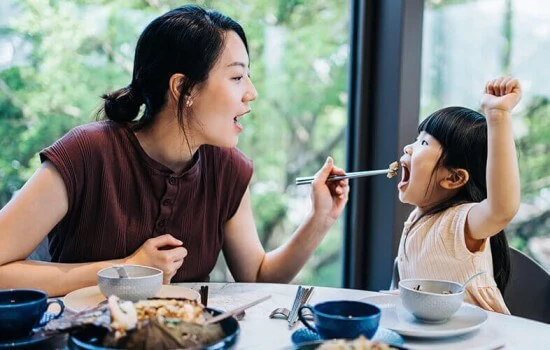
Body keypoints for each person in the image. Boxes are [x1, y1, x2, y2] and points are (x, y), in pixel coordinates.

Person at [0, 5, 349, 297]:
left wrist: (320, 219)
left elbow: (255, 279)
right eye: (236, 77)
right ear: (183, 88)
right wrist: (125, 271)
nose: (251, 92)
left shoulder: (228, 168)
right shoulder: (87, 153)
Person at [396, 77, 522, 314]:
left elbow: (502, 208)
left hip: (482, 339)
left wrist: (498, 115)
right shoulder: (415, 219)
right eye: (417, 137)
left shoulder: (461, 223)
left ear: (453, 178)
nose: (408, 147)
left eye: (423, 142)